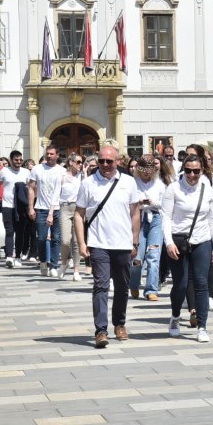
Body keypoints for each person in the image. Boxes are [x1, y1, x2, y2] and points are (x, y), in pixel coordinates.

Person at [74, 145, 141, 349]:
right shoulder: (88, 183)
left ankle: (119, 323)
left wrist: (135, 240)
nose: (104, 165)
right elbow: (78, 214)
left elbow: (135, 212)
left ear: (118, 161)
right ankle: (100, 330)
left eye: (109, 161)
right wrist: (82, 243)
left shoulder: (128, 182)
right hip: (98, 243)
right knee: (101, 286)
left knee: (122, 287)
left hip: (122, 243)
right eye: (101, 161)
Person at [163, 154, 213, 342]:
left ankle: (203, 327)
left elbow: (212, 219)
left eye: (196, 171)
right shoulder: (174, 189)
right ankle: (175, 316)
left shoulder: (207, 189)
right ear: (183, 170)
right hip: (179, 240)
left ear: (201, 170)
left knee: (202, 284)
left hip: (202, 239)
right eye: (188, 170)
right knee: (180, 284)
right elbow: (166, 218)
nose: (192, 175)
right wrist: (169, 242)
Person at [129, 155, 169, 301]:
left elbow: (164, 204)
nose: (146, 173)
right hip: (138, 217)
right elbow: (127, 202)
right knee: (137, 256)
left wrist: (152, 202)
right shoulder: (132, 183)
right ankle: (133, 284)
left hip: (155, 218)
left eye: (149, 170)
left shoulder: (159, 184)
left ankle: (151, 289)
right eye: (143, 170)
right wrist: (138, 202)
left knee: (154, 254)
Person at [28, 145, 65, 277]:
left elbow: (61, 191)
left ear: (57, 155)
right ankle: (43, 261)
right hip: (41, 208)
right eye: (47, 153)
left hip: (57, 208)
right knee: (42, 238)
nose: (49, 156)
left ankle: (54, 265)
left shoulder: (62, 171)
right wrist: (31, 207)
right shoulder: (37, 169)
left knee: (56, 238)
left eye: (51, 154)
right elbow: (31, 188)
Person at [0, 151, 30, 268]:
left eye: (20, 160)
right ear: (11, 160)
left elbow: (31, 189)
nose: (18, 162)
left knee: (20, 233)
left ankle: (18, 256)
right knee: (9, 231)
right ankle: (9, 256)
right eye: (16, 160)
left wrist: (30, 206)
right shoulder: (4, 171)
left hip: (21, 207)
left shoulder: (26, 172)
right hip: (7, 206)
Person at [58, 154, 84, 281]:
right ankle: (64, 262)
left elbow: (87, 190)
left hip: (78, 208)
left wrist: (85, 173)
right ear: (71, 162)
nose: (80, 164)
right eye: (78, 162)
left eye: (81, 162)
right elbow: (56, 194)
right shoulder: (62, 176)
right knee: (65, 240)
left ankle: (76, 271)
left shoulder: (82, 176)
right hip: (65, 207)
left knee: (76, 241)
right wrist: (51, 211)